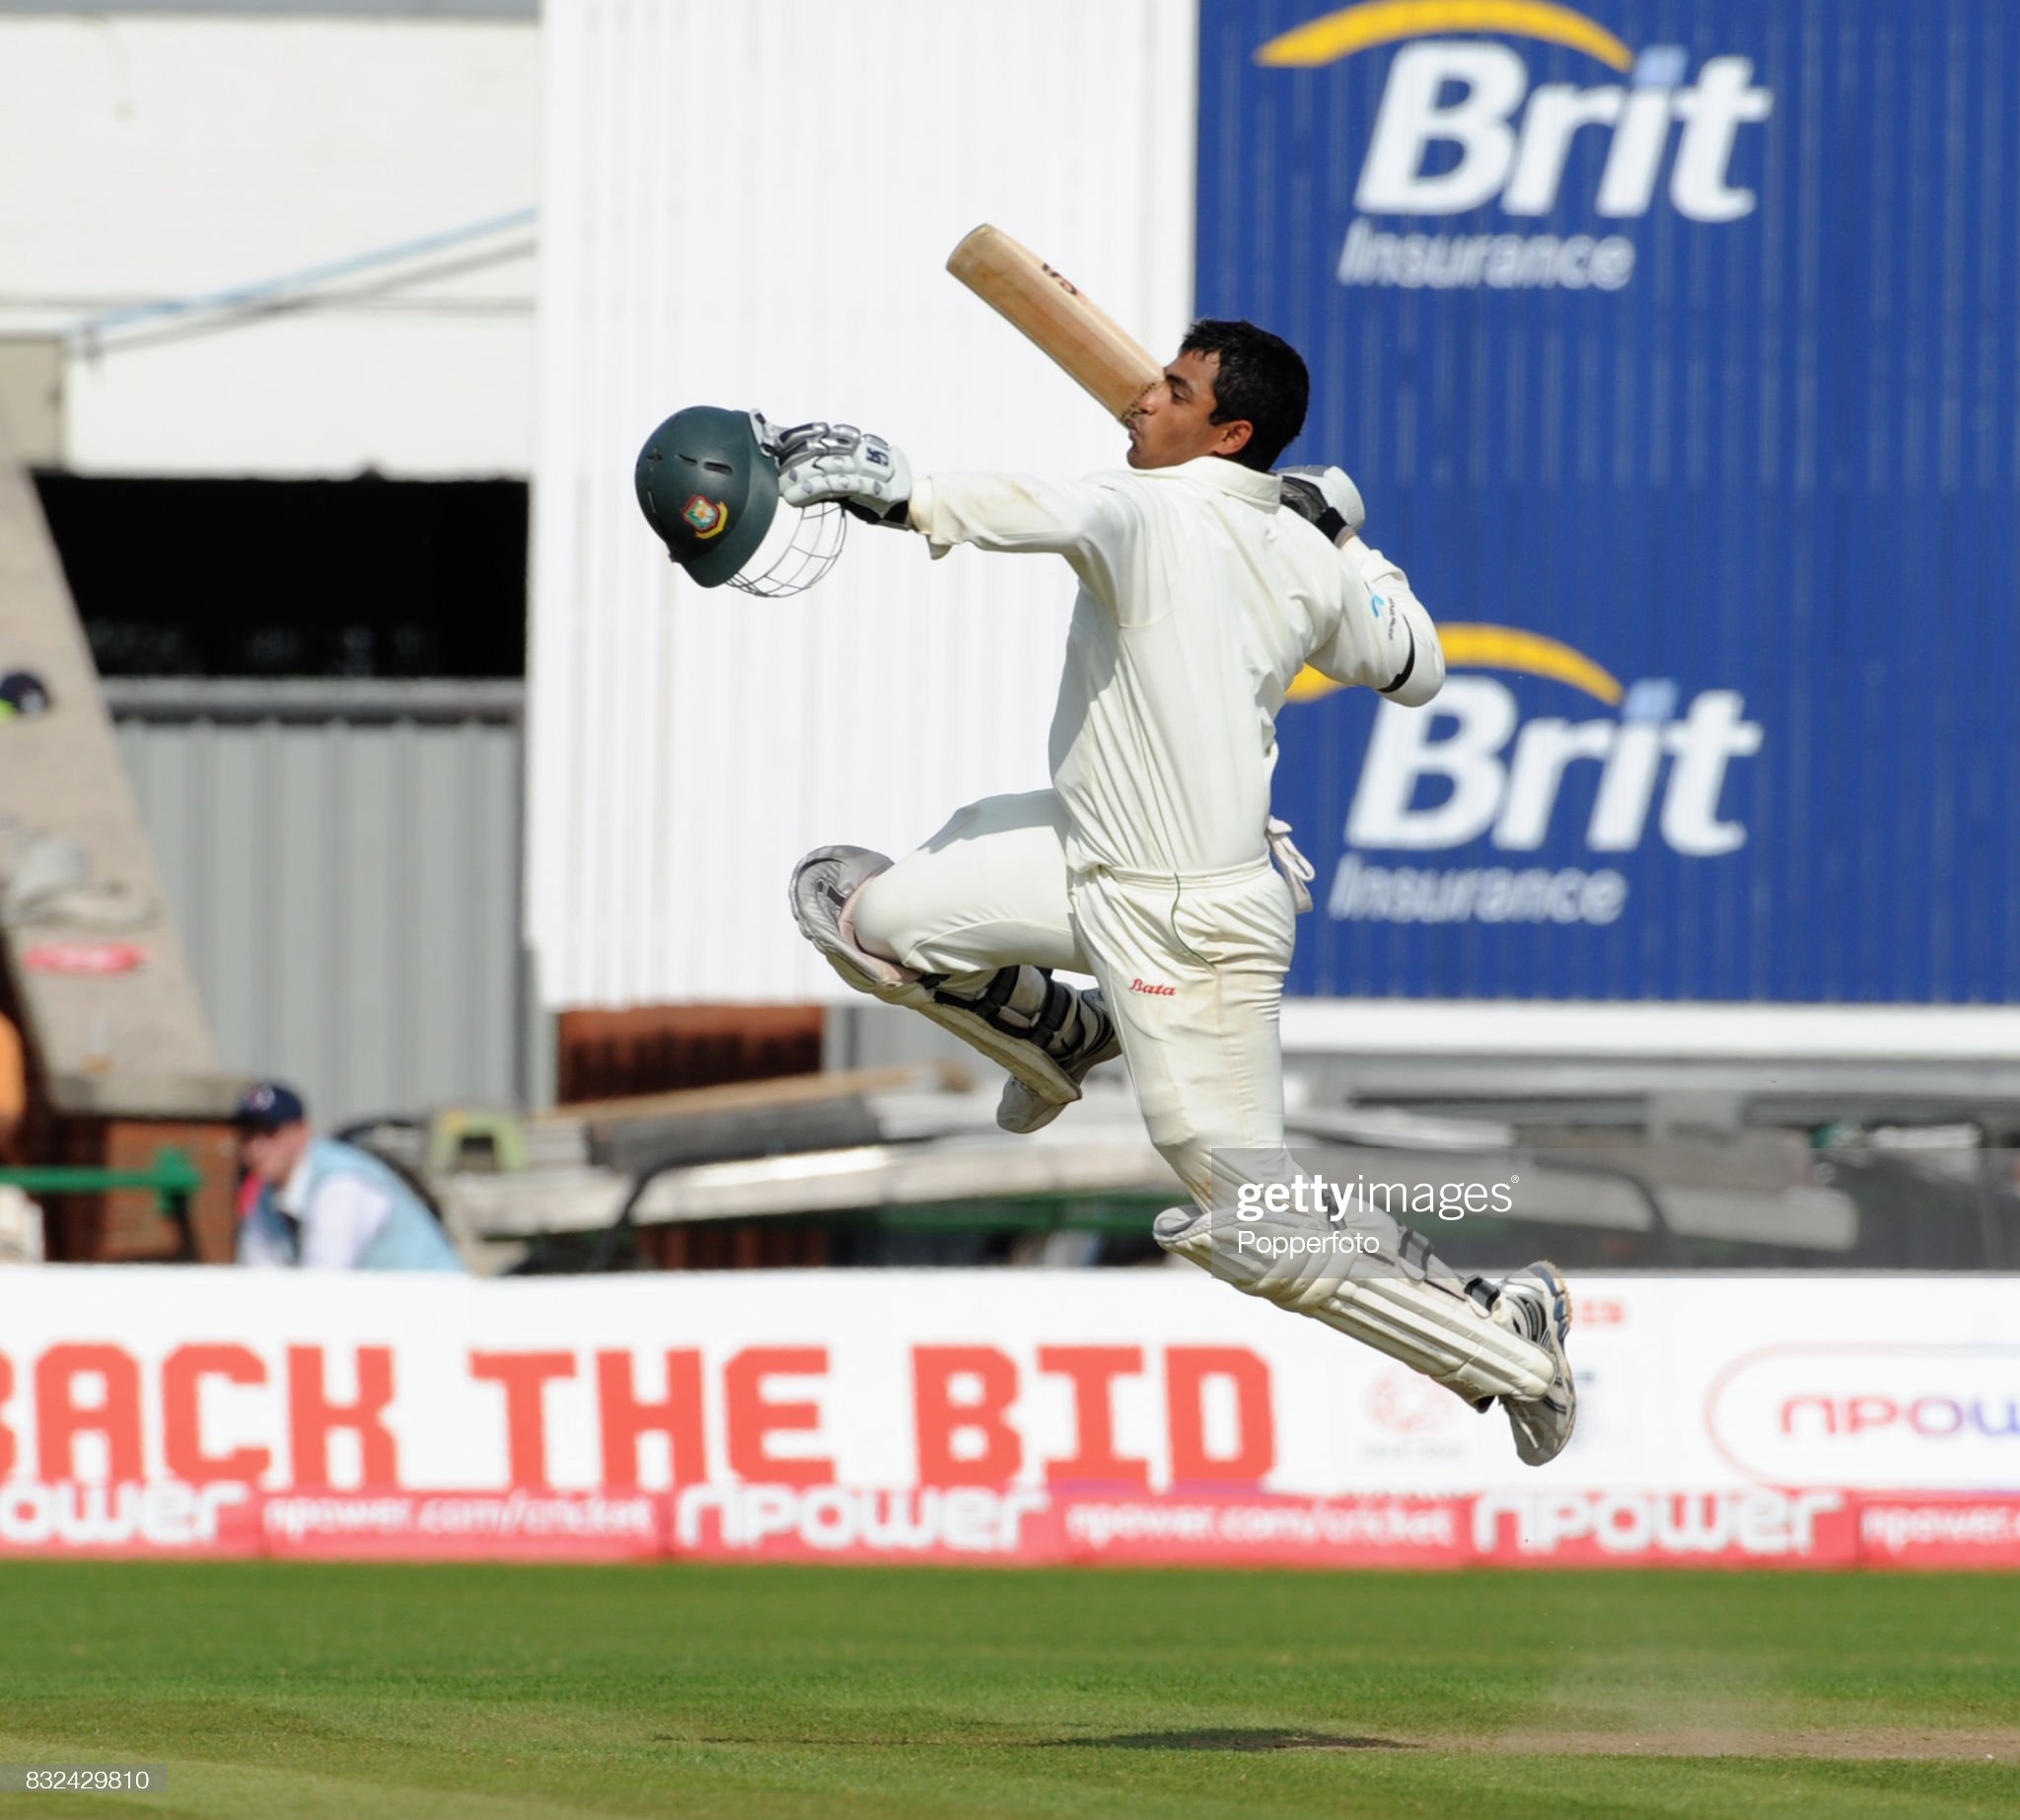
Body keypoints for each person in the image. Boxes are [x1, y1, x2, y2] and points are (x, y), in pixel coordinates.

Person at [765, 321, 1576, 1465]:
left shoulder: (1152, 510)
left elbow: (1045, 507)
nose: (1140, 400)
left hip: (1193, 927)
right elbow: (1412, 658)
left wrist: (906, 495)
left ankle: (1509, 1342)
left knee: (1251, 1220)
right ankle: (1059, 1038)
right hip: (1085, 857)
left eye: (1174, 389)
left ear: (1229, 430)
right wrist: (1345, 542)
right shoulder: (1302, 555)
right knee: (860, 912)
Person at [232, 1080, 464, 1273]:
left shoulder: (340, 1183)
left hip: (437, 1315)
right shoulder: (267, 1194)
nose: (256, 1147)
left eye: (270, 1133)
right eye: (248, 1135)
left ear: (302, 1132)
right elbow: (259, 1278)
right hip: (383, 1318)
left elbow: (323, 1283)